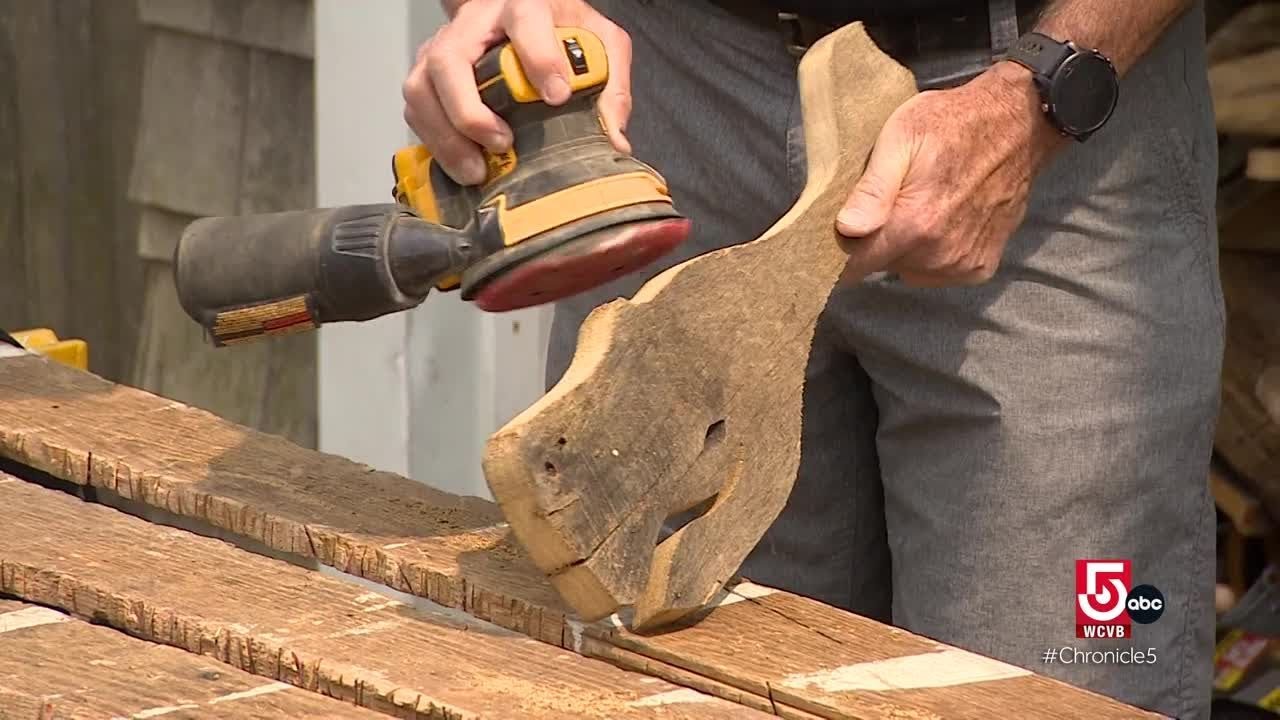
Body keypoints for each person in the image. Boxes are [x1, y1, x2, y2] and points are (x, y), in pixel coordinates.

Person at [403, 1, 1222, 717]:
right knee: (665, 677)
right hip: (669, 91)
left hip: (1042, 96)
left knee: (1051, 681)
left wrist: (1042, 94)